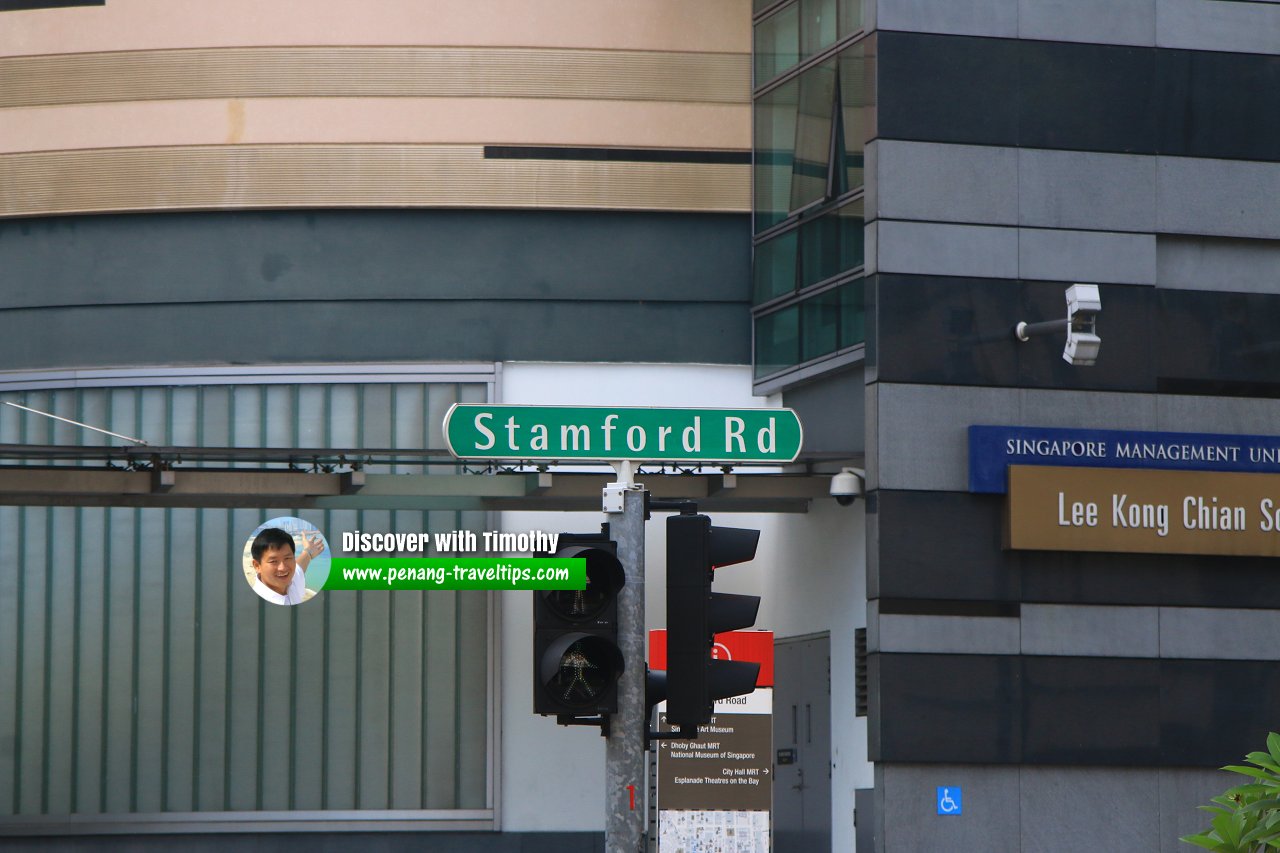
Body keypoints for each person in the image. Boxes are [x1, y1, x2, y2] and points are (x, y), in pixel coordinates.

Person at [250, 527, 323, 605]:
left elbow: (299, 567)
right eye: (273, 561)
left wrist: (308, 551)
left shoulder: (292, 582)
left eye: (287, 558)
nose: (283, 568)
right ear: (257, 566)